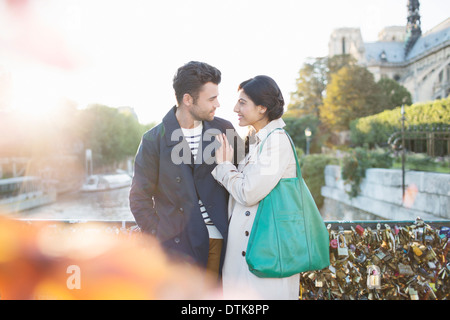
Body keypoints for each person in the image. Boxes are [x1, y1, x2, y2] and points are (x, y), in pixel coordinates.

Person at [129, 61, 242, 282]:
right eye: (211, 99)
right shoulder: (153, 139)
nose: (218, 104)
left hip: (223, 242)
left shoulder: (225, 129)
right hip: (177, 246)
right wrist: (160, 237)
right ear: (188, 99)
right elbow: (139, 198)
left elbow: (245, 177)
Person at [212, 75, 300, 300]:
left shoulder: (277, 141)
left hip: (265, 252)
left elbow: (248, 193)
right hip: (246, 252)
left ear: (262, 108)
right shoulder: (255, 140)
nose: (235, 108)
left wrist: (223, 166)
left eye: (242, 102)